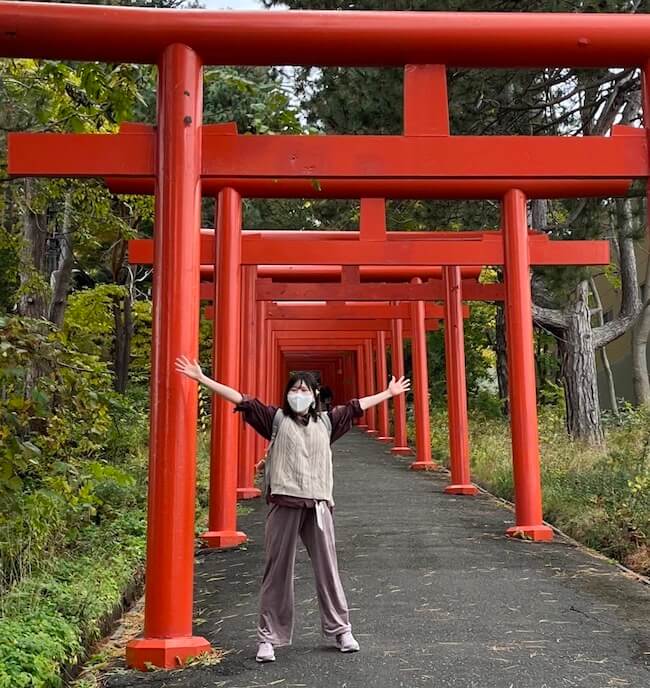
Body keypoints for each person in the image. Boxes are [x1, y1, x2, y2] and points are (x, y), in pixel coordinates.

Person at [174, 356, 410, 663]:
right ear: (287, 394)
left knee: (328, 571)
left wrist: (388, 394)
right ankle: (268, 638)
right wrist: (203, 379)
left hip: (318, 505)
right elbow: (242, 399)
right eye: (293, 389)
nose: (298, 394)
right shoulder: (275, 419)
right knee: (277, 572)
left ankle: (341, 630)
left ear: (314, 396)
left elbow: (355, 407)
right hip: (284, 502)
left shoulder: (327, 422)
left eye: (304, 390)